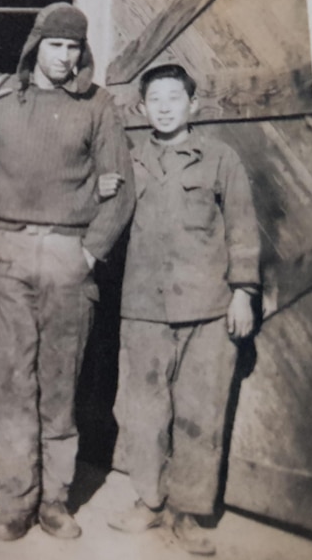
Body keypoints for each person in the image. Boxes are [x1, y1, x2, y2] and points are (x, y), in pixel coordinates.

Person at [0, 2, 135, 541]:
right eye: (55, 45)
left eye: (73, 48)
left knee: (59, 383)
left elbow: (122, 189)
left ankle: (54, 500)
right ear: (35, 46)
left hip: (68, 257)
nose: (64, 57)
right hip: (8, 255)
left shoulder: (98, 107)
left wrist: (89, 252)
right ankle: (15, 500)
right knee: (12, 382)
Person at [105, 63, 260, 556]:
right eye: (155, 99)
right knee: (143, 414)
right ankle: (149, 502)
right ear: (142, 107)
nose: (166, 106)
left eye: (175, 97)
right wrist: (98, 192)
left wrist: (244, 291)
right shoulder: (128, 162)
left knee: (199, 414)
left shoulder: (220, 159)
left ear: (192, 104)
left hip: (208, 309)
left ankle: (187, 512)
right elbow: (102, 220)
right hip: (144, 309)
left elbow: (242, 228)